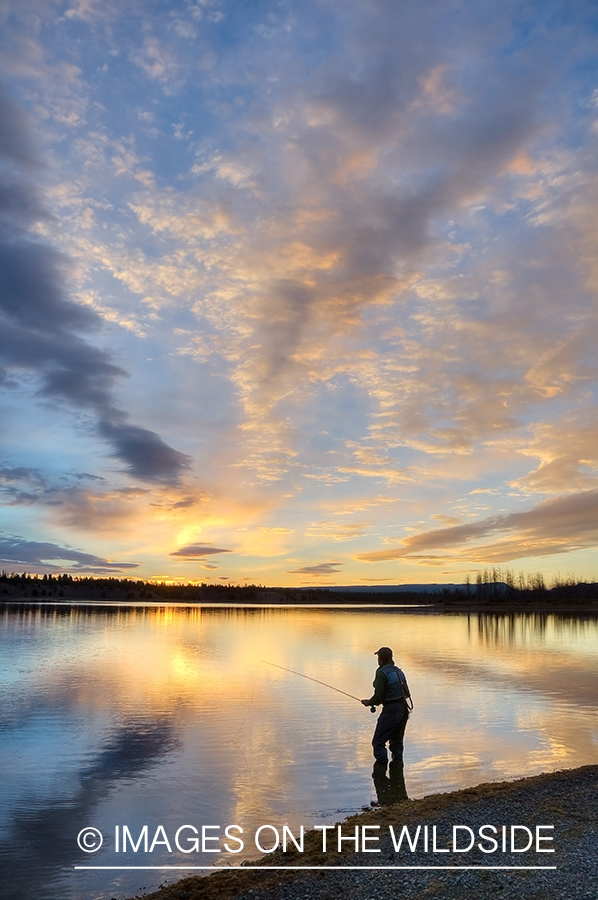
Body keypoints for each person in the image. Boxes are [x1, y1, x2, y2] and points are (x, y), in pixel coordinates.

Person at [361, 646, 411, 766]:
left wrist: (369, 702)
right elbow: (407, 693)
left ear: (381, 659)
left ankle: (381, 771)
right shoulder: (399, 671)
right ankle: (397, 773)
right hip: (403, 709)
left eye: (378, 657)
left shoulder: (381, 673)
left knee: (378, 742)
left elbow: (378, 698)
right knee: (397, 743)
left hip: (391, 711)